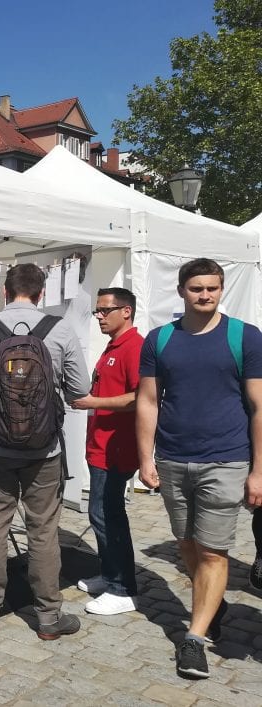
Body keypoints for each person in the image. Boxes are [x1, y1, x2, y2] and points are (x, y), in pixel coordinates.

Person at [136, 258, 262, 679]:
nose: (204, 295)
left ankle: (193, 640)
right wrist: (145, 457)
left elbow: (260, 406)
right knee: (186, 543)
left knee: (212, 551)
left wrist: (258, 470)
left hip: (226, 458)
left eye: (212, 288)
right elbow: (148, 401)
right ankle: (214, 604)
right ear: (181, 291)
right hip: (173, 458)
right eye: (196, 289)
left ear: (221, 289)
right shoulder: (161, 338)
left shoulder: (244, 336)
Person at [0, 262, 90, 640]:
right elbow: (79, 388)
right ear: (41, 293)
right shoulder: (60, 328)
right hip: (45, 450)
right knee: (44, 528)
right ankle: (48, 617)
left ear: (5, 291)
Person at [70, 288, 143, 615]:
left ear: (126, 311)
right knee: (100, 514)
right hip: (100, 445)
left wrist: (92, 402)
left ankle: (123, 588)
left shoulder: (134, 347)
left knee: (108, 516)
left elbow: (139, 398)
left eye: (105, 310)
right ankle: (110, 574)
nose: (99, 316)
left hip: (116, 449)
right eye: (98, 310)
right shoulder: (114, 346)